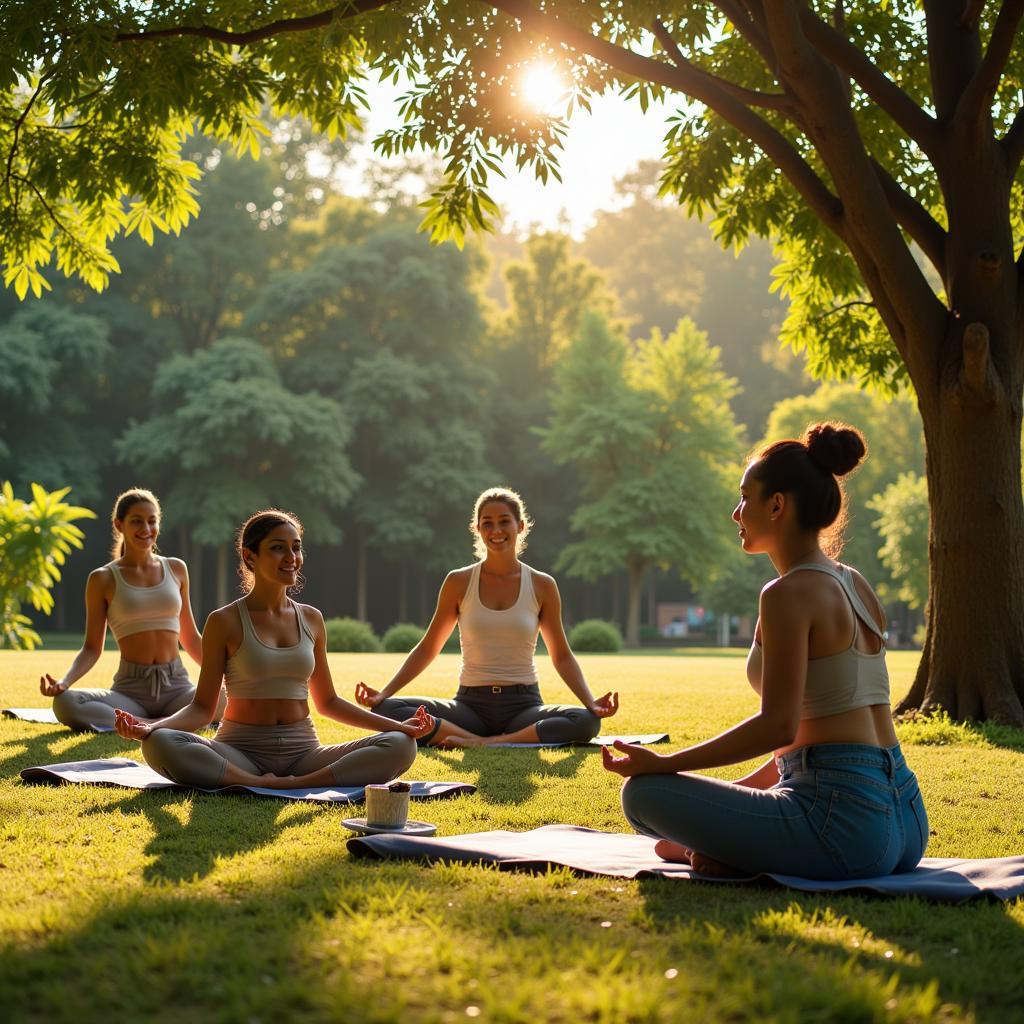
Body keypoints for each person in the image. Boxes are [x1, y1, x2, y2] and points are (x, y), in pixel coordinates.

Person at [604, 423, 929, 880]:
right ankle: (732, 849)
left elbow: (779, 725)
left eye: (745, 498)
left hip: (843, 826)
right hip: (907, 820)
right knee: (676, 812)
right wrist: (725, 797)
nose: (735, 513)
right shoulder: (854, 582)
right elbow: (814, 738)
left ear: (776, 505)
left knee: (642, 796)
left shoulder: (786, 593)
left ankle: (733, 853)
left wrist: (666, 763)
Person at [114, 509, 431, 788]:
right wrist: (150, 727)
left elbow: (329, 702)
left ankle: (300, 784)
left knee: (402, 745)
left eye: (296, 548)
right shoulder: (224, 621)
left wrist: (398, 727)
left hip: (303, 753)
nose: (291, 557)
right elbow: (202, 709)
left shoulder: (312, 619)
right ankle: (251, 782)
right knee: (159, 744)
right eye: (278, 548)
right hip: (238, 751)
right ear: (250, 556)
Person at [355, 487, 618, 746]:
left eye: (505, 522)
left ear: (521, 526)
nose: (496, 531)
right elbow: (428, 648)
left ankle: (487, 742)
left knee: (586, 721)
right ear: (477, 529)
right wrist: (384, 693)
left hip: (523, 706)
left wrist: (591, 702)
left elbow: (560, 655)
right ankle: (480, 739)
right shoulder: (458, 582)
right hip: (470, 708)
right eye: (487, 524)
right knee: (387, 709)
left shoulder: (542, 585)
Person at [40, 488, 223, 732]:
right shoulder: (102, 579)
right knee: (66, 703)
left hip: (177, 687)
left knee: (228, 696)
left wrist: (228, 677)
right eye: (136, 521)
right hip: (131, 692)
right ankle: (156, 724)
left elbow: (190, 637)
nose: (146, 529)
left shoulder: (176, 569)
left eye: (152, 521)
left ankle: (149, 725)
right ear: (119, 525)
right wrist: (64, 683)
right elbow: (91, 648)